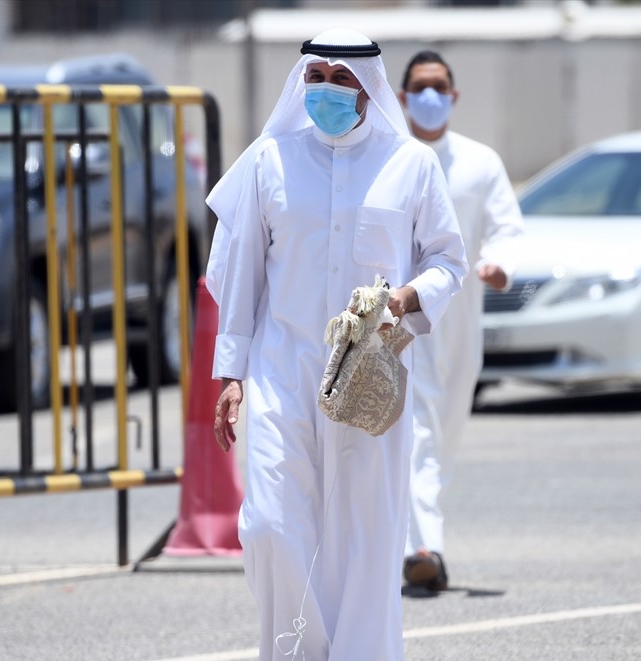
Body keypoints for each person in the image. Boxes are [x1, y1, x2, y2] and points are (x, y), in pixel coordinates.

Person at [207, 29, 467, 660]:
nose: (323, 90)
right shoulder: (269, 159)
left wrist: (408, 297)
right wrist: (231, 373)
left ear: (369, 86)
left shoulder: (410, 164)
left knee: (366, 534)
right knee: (270, 527)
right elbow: (240, 276)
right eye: (314, 78)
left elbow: (448, 262)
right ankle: (298, 652)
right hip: (278, 369)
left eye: (339, 78)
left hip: (368, 374)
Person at [398, 50, 524, 591]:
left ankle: (412, 540)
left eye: (439, 86)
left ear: (454, 95)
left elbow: (507, 229)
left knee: (444, 437)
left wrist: (500, 265)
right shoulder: (389, 160)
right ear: (401, 96)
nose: (430, 95)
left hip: (462, 325)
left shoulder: (479, 162)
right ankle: (424, 549)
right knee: (418, 435)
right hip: (405, 323)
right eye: (420, 86)